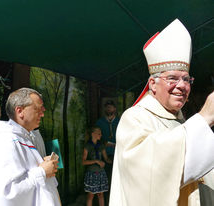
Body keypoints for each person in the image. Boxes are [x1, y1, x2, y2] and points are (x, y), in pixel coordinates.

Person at [109, 19, 214, 206]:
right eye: (172, 78)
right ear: (152, 85)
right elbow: (147, 176)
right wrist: (204, 117)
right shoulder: (135, 118)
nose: (182, 86)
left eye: (186, 79)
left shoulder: (181, 120)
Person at [0, 88, 60, 206]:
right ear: (20, 111)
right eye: (37, 108)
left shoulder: (22, 137)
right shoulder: (6, 140)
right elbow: (8, 192)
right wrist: (42, 171)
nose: (42, 113)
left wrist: (43, 164)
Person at [82, 126, 112, 206]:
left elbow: (106, 159)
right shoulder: (87, 146)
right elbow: (83, 162)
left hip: (101, 173)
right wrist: (96, 161)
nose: (101, 135)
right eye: (99, 133)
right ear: (93, 134)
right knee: (91, 196)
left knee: (100, 194)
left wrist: (114, 161)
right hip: (92, 174)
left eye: (101, 134)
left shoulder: (101, 145)